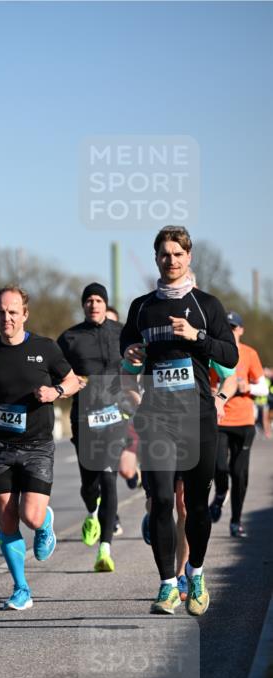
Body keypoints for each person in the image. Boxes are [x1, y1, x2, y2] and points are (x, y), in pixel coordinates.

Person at [120, 226, 238, 615]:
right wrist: (133, 355)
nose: (170, 260)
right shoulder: (141, 307)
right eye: (164, 254)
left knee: (197, 507)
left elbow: (230, 357)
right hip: (157, 417)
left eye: (177, 253)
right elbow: (126, 354)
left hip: (198, 417)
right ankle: (167, 585)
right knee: (162, 500)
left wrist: (197, 336)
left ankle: (197, 574)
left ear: (189, 258)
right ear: (156, 258)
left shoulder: (207, 305)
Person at [0, 286, 80, 610]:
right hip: (0, 446)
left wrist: (56, 391)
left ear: (25, 314)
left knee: (30, 517)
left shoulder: (45, 348)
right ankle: (21, 588)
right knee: (7, 520)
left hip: (37, 445)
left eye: (13, 312)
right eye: (1, 312)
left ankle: (45, 524)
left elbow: (74, 380)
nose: (6, 317)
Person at [58, 283, 127, 572]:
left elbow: (138, 364)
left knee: (109, 478)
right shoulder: (70, 338)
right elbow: (55, 373)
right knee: (90, 483)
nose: (94, 304)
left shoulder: (122, 332)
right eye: (89, 300)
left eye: (99, 300)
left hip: (114, 417)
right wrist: (70, 384)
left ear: (105, 304)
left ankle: (105, 549)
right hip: (84, 418)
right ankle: (91, 511)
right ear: (83, 305)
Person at [209, 311, 267, 537]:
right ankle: (221, 492)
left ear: (241, 330)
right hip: (220, 421)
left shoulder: (249, 354)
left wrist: (247, 388)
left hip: (244, 423)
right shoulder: (213, 352)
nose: (230, 331)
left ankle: (236, 521)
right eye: (227, 327)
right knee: (219, 467)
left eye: (234, 328)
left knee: (239, 473)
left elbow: (262, 386)